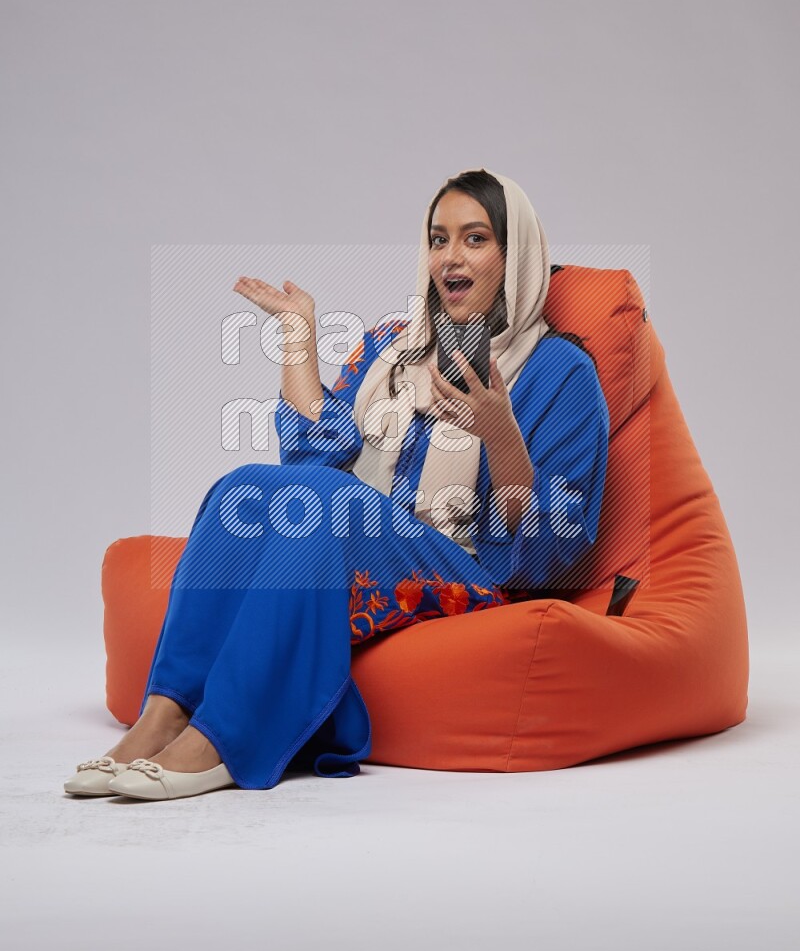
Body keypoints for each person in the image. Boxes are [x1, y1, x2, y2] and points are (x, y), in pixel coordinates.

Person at [63, 168, 609, 802]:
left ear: (516, 258)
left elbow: (551, 550)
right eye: (438, 239)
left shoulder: (562, 372)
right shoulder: (396, 350)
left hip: (471, 567)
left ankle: (226, 739)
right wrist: (299, 333)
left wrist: (503, 439)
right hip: (366, 532)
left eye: (475, 238)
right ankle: (164, 713)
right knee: (243, 486)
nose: (450, 257)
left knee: (329, 504)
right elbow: (310, 455)